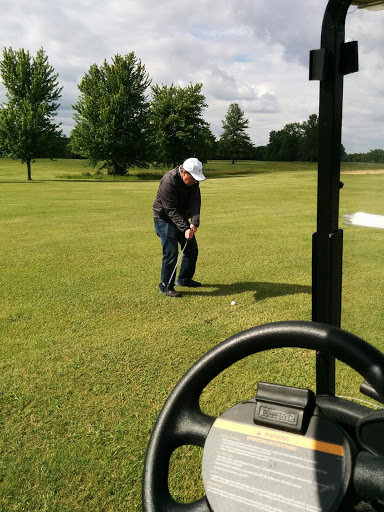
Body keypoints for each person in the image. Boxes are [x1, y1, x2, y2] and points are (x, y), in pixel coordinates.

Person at [152, 157, 206, 298]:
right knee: (171, 252)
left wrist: (194, 223)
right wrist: (185, 228)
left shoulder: (194, 182)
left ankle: (184, 279)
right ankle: (166, 286)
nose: (195, 181)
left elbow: (195, 203)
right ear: (184, 173)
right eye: (193, 178)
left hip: (180, 218)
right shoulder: (168, 181)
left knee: (191, 249)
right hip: (164, 219)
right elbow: (170, 210)